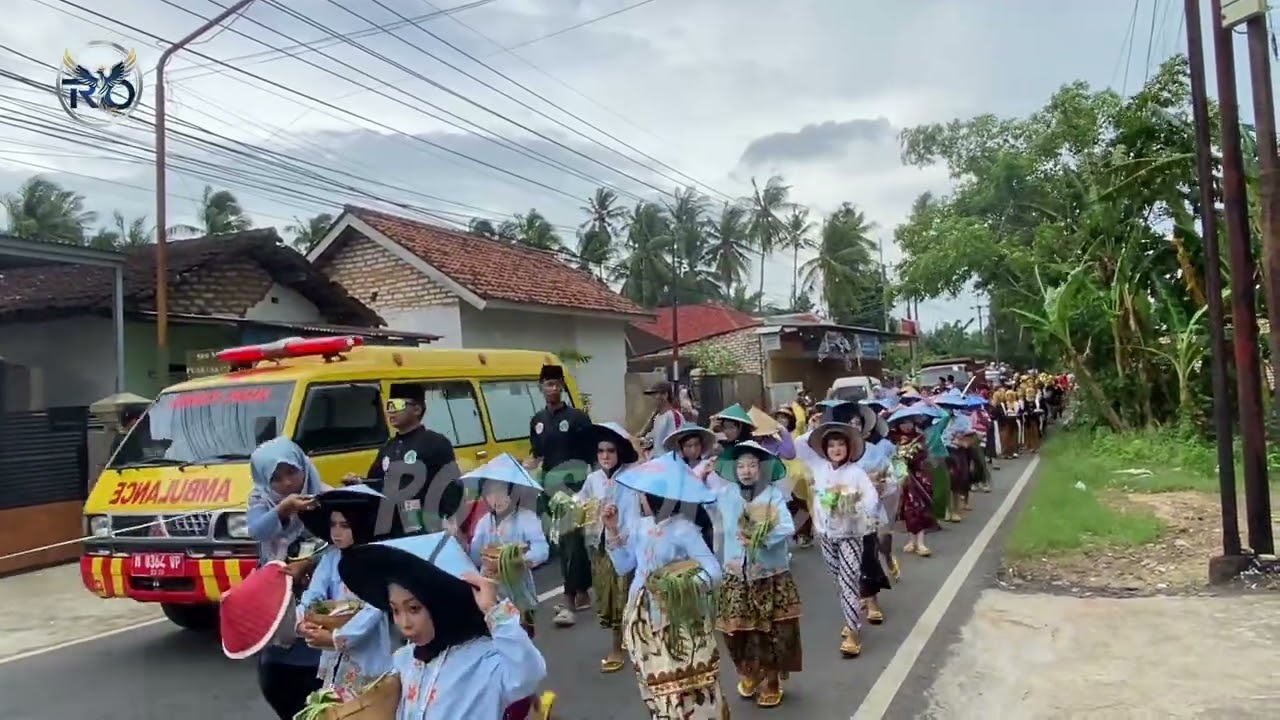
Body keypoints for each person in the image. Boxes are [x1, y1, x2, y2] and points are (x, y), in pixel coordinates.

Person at [337, 534, 547, 719]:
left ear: (441, 606)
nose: (404, 624)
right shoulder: (405, 660)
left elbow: (529, 674)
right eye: (395, 611)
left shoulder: (485, 658)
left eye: (414, 609)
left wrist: (493, 610)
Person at [603, 453, 726, 719]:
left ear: (652, 497)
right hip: (644, 619)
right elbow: (624, 565)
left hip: (681, 620)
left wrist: (678, 587)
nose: (639, 499)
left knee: (690, 684)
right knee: (657, 685)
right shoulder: (639, 527)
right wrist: (612, 531)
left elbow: (714, 573)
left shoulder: (684, 529)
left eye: (642, 495)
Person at [456, 454, 553, 720]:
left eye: (500, 492)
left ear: (513, 493)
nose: (494, 499)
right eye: (489, 493)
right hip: (491, 600)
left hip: (520, 599)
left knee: (518, 654)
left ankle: (524, 708)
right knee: (500, 656)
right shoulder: (485, 523)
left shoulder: (527, 518)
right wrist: (461, 540)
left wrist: (521, 560)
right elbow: (476, 556)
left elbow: (543, 549)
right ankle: (531, 705)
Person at [714, 441, 800, 708]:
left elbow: (786, 527)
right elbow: (708, 517)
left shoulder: (772, 496)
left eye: (752, 465)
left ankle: (772, 680)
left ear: (761, 469)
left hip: (769, 574)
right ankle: (750, 671)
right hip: (735, 573)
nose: (746, 470)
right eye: (740, 466)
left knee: (771, 631)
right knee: (733, 631)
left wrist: (760, 538)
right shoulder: (726, 495)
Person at [246, 437, 323, 720]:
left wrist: (311, 562)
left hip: (320, 594)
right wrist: (284, 509)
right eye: (276, 478)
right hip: (277, 597)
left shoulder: (322, 496)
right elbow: (258, 530)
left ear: (303, 466)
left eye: (292, 472)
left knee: (318, 677)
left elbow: (341, 543)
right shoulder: (261, 498)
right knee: (277, 679)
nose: (287, 483)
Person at [294, 484, 395, 699]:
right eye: (333, 525)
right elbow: (314, 594)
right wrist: (302, 620)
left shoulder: (378, 561)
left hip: (368, 654)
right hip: (333, 654)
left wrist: (336, 638)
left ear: (360, 526)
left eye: (345, 525)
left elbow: (374, 609)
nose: (336, 533)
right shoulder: (331, 557)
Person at [792, 420, 880, 657]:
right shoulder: (819, 467)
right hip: (825, 535)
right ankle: (850, 615)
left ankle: (853, 633)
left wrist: (853, 507)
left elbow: (871, 500)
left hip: (851, 535)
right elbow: (798, 444)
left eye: (841, 444)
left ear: (849, 447)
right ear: (825, 448)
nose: (836, 449)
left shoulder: (856, 472)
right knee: (839, 582)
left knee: (849, 581)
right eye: (831, 445)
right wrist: (817, 426)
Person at [526, 364, 595, 627]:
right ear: (541, 388)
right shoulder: (538, 421)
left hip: (575, 486)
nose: (551, 389)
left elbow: (591, 455)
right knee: (563, 542)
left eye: (555, 384)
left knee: (572, 540)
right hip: (549, 489)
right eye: (546, 385)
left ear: (561, 387)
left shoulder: (577, 418)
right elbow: (538, 456)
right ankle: (581, 591)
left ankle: (570, 596)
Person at [344, 384, 462, 533]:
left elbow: (451, 485)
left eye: (398, 405)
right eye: (389, 405)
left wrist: (448, 519)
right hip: (390, 526)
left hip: (423, 525)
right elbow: (376, 482)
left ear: (417, 409)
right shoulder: (388, 448)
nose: (392, 410)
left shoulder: (436, 443)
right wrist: (359, 482)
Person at [576, 422, 642, 675]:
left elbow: (636, 514)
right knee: (608, 597)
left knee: (627, 596)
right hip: (600, 547)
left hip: (625, 545)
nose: (605, 456)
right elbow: (582, 505)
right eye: (601, 451)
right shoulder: (593, 479)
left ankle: (625, 644)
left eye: (611, 451)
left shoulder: (630, 478)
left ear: (620, 453)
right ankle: (621, 641)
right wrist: (590, 510)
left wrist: (621, 530)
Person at [886, 405, 936, 557]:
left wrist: (911, 459)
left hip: (918, 479)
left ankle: (921, 542)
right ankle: (912, 540)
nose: (907, 426)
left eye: (909, 422)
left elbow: (923, 458)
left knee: (918, 509)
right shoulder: (893, 440)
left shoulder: (919, 438)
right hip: (902, 480)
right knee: (907, 512)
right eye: (903, 423)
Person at [937, 392, 974, 523]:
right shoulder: (937, 418)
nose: (948, 408)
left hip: (957, 452)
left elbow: (970, 439)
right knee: (944, 481)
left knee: (957, 481)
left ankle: (955, 510)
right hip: (941, 452)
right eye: (945, 406)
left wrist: (960, 440)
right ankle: (946, 509)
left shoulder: (964, 419)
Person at [643, 380, 683, 453]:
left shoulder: (673, 416)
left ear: (665, 395)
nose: (652, 398)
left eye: (655, 394)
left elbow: (674, 441)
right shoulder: (657, 417)